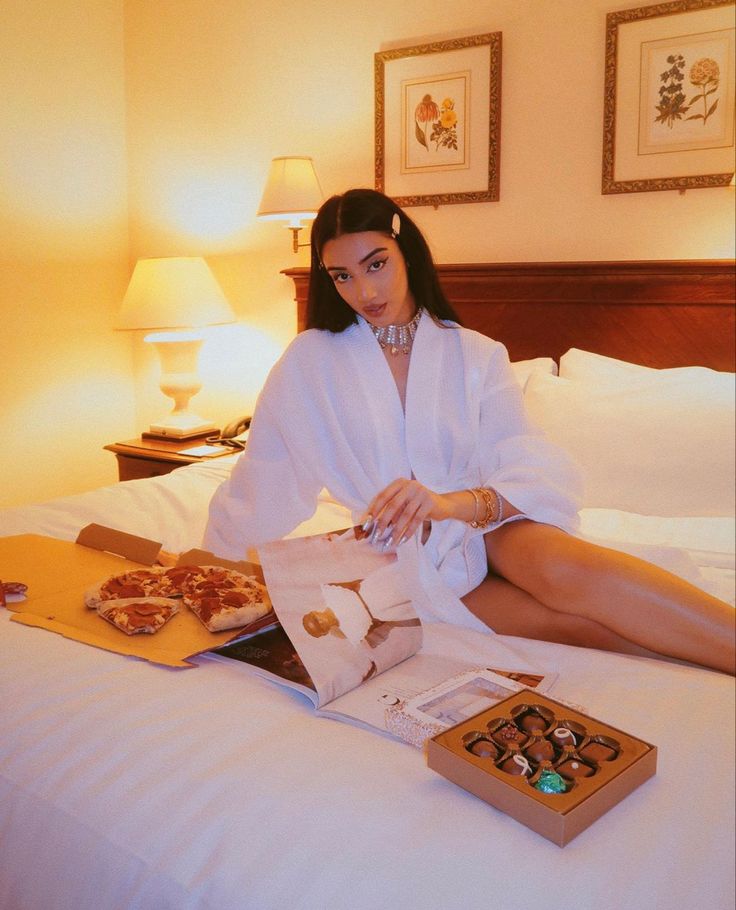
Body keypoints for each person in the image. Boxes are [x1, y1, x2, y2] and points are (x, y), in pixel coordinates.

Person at [204, 188, 735, 676]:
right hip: (403, 559)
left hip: (488, 521)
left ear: (405, 251)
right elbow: (265, 478)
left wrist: (448, 503)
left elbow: (527, 461)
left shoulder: (475, 353)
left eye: (376, 264)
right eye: (342, 275)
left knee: (562, 568)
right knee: (577, 627)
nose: (364, 290)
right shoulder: (309, 363)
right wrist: (211, 569)